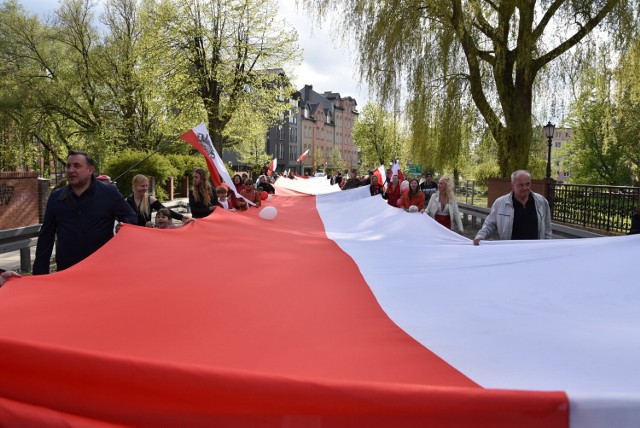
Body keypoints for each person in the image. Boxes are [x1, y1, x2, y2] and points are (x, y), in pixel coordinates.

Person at [33, 150, 138, 274]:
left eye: (77, 166)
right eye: (68, 166)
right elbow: (46, 236)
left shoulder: (109, 193)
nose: (71, 170)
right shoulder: (56, 197)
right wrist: (39, 274)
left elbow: (131, 216)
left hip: (102, 269)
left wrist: (124, 225)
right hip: (68, 270)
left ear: (90, 170)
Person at [473, 170, 552, 245]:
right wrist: (480, 236)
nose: (525, 188)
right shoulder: (500, 203)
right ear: (512, 185)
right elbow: (490, 224)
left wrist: (546, 247)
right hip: (510, 251)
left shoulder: (541, 202)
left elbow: (547, 229)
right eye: (521, 185)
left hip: (535, 251)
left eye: (528, 184)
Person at [126, 174, 191, 227]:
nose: (145, 188)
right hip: (133, 233)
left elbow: (166, 211)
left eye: (146, 186)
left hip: (146, 232)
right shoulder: (127, 201)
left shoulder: (150, 199)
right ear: (134, 186)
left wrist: (182, 217)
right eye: (142, 186)